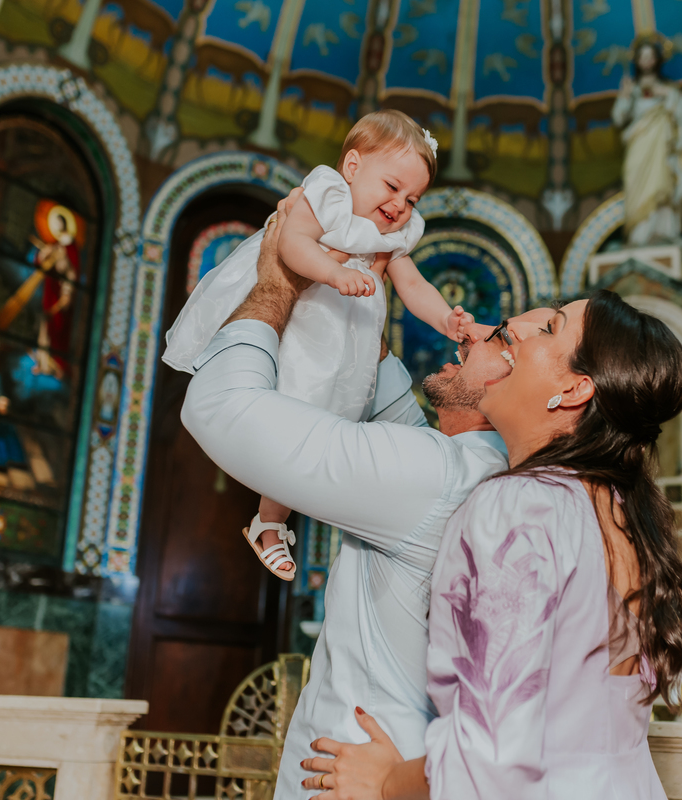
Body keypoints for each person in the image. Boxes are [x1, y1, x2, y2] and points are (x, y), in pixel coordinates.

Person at [179, 188, 547, 800]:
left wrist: (277, 282)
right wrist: (350, 304)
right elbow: (380, 393)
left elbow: (220, 407)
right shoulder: (469, 466)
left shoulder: (439, 476)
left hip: (362, 767)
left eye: (502, 340)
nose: (471, 335)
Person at [300, 291, 682, 799]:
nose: (518, 339)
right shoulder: (621, 512)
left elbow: (490, 756)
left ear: (575, 389)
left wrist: (384, 783)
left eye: (548, 329)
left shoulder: (520, 507)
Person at [167, 109, 474, 582]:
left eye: (412, 199)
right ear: (353, 167)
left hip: (343, 347)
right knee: (283, 415)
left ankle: (269, 521)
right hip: (303, 327)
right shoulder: (327, 195)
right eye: (392, 187)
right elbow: (292, 245)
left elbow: (413, 287)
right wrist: (334, 272)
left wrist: (445, 320)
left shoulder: (390, 237)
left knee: (314, 429)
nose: (400, 205)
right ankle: (269, 521)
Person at [612, 37, 682, 247]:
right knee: (636, 183)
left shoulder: (669, 89)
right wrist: (624, 96)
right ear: (637, 61)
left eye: (651, 56)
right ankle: (638, 234)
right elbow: (618, 118)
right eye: (642, 56)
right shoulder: (632, 89)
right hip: (639, 144)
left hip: (662, 145)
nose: (647, 61)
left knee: (662, 183)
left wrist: (668, 95)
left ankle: (662, 231)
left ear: (658, 60)